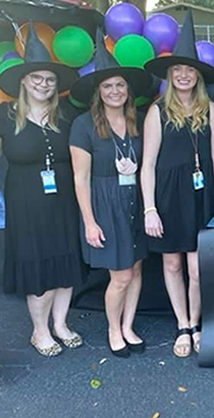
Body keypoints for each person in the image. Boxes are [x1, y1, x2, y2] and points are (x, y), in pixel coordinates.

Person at [142, 10, 214, 358]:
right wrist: (149, 209)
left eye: (189, 70)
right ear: (170, 74)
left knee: (196, 266)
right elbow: (146, 164)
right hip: (168, 197)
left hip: (201, 194)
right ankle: (183, 326)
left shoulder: (211, 111)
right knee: (173, 264)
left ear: (197, 76)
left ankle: (197, 321)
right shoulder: (157, 111)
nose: (183, 75)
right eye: (178, 70)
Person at [0, 24, 83, 356]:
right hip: (25, 201)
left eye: (49, 79)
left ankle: (60, 324)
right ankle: (39, 331)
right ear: (23, 81)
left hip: (64, 199)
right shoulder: (5, 117)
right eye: (36, 78)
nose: (43, 84)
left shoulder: (67, 116)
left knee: (65, 261)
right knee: (38, 266)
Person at [69, 30, 153, 358]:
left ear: (127, 90)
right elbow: (80, 177)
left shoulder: (139, 121)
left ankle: (129, 325)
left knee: (135, 270)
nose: (115, 91)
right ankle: (113, 329)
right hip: (104, 204)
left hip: (135, 202)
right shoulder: (83, 125)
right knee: (119, 276)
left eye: (120, 85)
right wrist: (89, 222)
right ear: (98, 92)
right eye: (107, 86)